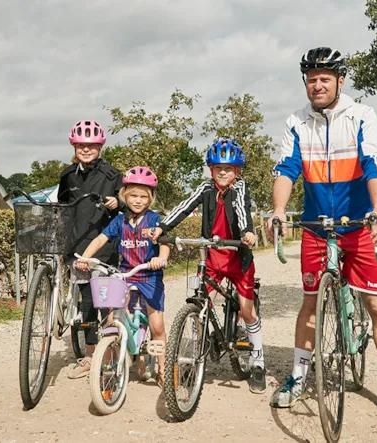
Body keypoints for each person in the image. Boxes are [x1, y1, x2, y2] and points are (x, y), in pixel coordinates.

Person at [266, 47, 377, 425]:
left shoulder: (362, 116)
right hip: (316, 225)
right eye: (312, 80)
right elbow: (286, 167)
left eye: (325, 79)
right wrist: (279, 210)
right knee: (310, 302)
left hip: (360, 225)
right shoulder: (296, 121)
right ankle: (297, 377)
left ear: (340, 81)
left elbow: (374, 162)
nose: (318, 85)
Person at [147, 139, 265, 394]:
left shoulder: (241, 188)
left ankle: (258, 363)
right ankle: (195, 355)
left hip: (237, 255)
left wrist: (246, 232)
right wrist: (162, 227)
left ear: (237, 171)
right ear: (211, 169)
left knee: (247, 312)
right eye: (218, 167)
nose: (223, 172)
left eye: (229, 168)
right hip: (211, 256)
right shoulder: (205, 188)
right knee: (201, 307)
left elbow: (242, 211)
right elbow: (183, 207)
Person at [75, 166, 170, 388]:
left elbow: (164, 243)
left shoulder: (155, 220)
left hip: (149, 276)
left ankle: (163, 369)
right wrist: (85, 258)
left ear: (151, 198)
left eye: (143, 197)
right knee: (112, 320)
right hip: (126, 275)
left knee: (157, 326)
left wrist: (161, 258)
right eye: (133, 196)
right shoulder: (120, 221)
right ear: (124, 195)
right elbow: (100, 239)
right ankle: (108, 367)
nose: (138, 201)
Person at [59, 119, 125, 379]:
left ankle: (108, 356)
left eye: (92, 146)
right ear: (74, 146)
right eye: (81, 146)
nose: (86, 150)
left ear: (100, 147)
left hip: (104, 246)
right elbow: (61, 207)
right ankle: (88, 356)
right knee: (86, 302)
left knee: (105, 303)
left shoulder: (112, 174)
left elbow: (128, 201)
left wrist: (115, 202)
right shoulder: (66, 175)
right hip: (77, 245)